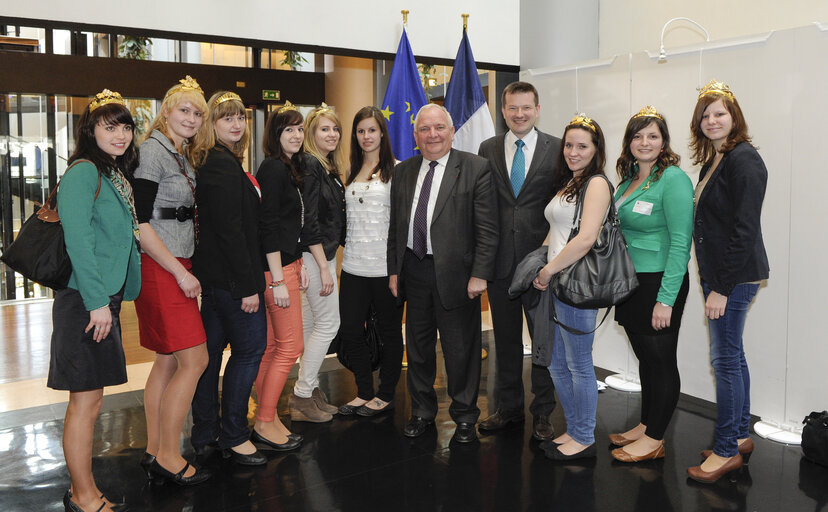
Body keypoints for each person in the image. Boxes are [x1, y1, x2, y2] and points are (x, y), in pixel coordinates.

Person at [47, 89, 141, 512]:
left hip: (101, 298)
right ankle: (83, 496)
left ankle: (84, 491)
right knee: (84, 402)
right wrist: (97, 302)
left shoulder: (111, 172)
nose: (120, 135)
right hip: (85, 301)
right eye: (109, 126)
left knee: (92, 399)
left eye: (125, 127)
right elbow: (79, 241)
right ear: (90, 130)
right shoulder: (84, 171)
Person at [387, 104, 498, 444]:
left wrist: (480, 274)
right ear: (415, 134)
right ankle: (422, 412)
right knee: (418, 349)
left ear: (451, 131)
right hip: (414, 270)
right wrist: (394, 271)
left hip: (458, 275)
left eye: (439, 128)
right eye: (424, 129)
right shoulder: (404, 171)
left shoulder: (475, 167)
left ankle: (464, 416)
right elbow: (397, 226)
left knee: (460, 349)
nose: (432, 135)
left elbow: (488, 227)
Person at [686, 80, 769, 483]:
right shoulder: (717, 159)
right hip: (722, 275)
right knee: (733, 355)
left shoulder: (745, 159)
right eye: (705, 115)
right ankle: (737, 436)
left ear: (734, 116)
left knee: (724, 360)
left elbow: (745, 229)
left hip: (732, 278)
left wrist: (720, 287)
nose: (712, 120)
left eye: (719, 113)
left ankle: (724, 451)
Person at [133, 75, 211, 485]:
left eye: (198, 113)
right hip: (164, 267)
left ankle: (152, 449)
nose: (192, 118)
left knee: (167, 361)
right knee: (195, 360)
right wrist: (180, 272)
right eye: (185, 109)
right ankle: (167, 454)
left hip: (175, 264)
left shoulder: (179, 154)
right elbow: (140, 224)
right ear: (166, 111)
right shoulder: (152, 152)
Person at [608, 106, 694, 463]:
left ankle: (656, 439)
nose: (645, 142)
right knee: (645, 359)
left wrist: (666, 300)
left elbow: (680, 242)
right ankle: (646, 425)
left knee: (661, 361)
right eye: (638, 135)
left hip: (659, 281)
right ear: (629, 142)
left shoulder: (672, 178)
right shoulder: (627, 181)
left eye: (653, 136)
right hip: (630, 281)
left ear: (664, 142)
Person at [477, 81, 560, 440]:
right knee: (506, 341)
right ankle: (507, 409)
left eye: (526, 107)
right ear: (503, 110)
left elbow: (564, 208)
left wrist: (549, 260)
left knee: (543, 342)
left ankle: (542, 413)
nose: (519, 114)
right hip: (499, 265)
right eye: (512, 108)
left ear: (537, 109)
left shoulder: (558, 149)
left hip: (541, 265)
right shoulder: (488, 148)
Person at [191, 91, 268, 466]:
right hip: (232, 283)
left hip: (216, 281)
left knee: (209, 359)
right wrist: (247, 287)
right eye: (226, 119)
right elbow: (231, 231)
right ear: (211, 124)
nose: (236, 124)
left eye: (240, 118)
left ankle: (206, 432)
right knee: (249, 351)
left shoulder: (214, 160)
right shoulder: (220, 164)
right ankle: (234, 435)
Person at [532, 114, 611, 460]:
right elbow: (558, 231)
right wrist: (539, 265)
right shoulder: (570, 183)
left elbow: (586, 238)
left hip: (577, 285)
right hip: (555, 281)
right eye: (568, 145)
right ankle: (575, 428)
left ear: (596, 150)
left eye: (582, 146)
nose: (573, 152)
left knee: (579, 364)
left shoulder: (595, 183)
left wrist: (548, 269)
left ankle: (584, 434)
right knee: (555, 363)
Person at [337, 106, 404, 417]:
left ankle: (386, 393)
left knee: (390, 332)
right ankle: (364, 391)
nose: (366, 136)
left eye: (372, 130)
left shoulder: (397, 170)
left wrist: (396, 270)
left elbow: (401, 225)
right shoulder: (350, 171)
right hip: (352, 265)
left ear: (382, 134)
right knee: (350, 330)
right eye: (361, 131)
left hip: (384, 268)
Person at [251, 103, 308, 451]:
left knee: (273, 347)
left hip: (285, 266)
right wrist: (277, 279)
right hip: (276, 270)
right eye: (289, 129)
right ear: (275, 135)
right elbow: (267, 226)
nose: (297, 135)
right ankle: (264, 421)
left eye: (300, 129)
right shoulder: (273, 169)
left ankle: (267, 417)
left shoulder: (288, 168)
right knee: (291, 347)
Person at [289, 103, 346, 422]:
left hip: (316, 256)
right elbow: (308, 219)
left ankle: (307, 391)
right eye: (324, 128)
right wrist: (324, 266)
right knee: (328, 324)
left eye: (335, 128)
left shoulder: (326, 167)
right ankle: (301, 395)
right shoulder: (310, 164)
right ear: (311, 134)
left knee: (312, 325)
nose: (332, 134)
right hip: (315, 257)